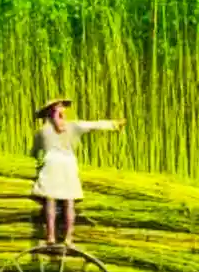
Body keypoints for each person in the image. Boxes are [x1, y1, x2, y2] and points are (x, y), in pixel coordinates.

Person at [29, 98, 126, 246]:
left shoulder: (41, 132)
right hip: (68, 163)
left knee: (50, 200)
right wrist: (114, 124)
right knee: (69, 201)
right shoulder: (73, 126)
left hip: (51, 163)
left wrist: (38, 161)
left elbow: (35, 153)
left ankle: (50, 237)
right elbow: (94, 125)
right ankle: (68, 238)